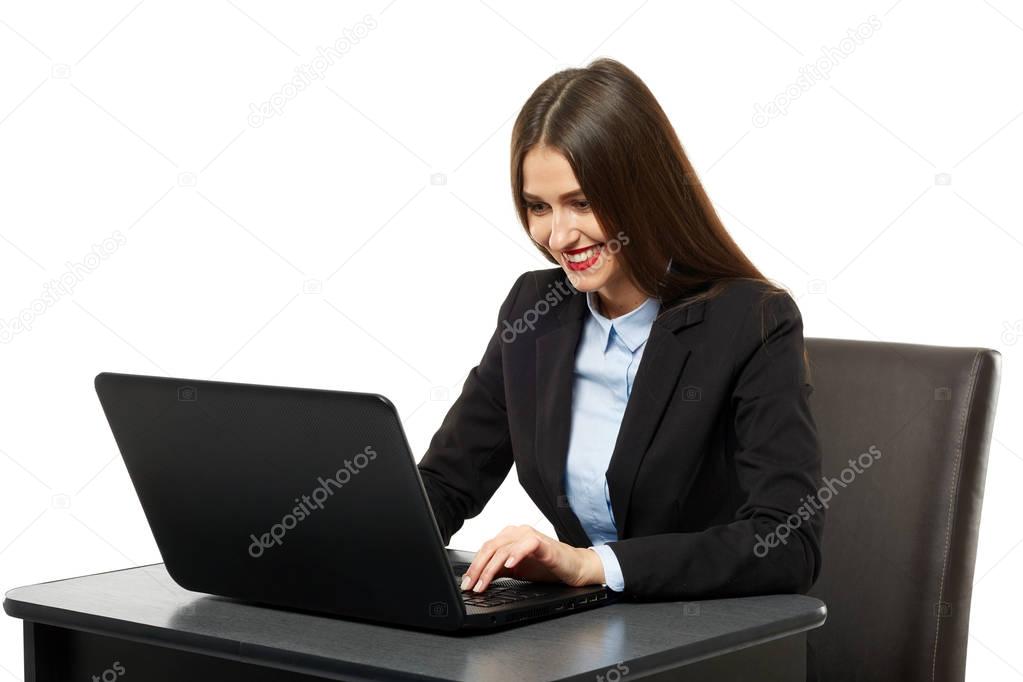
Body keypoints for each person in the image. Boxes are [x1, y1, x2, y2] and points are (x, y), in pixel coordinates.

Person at [417, 57, 824, 642]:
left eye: (581, 203)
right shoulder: (535, 313)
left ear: (644, 192)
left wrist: (589, 565)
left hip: (708, 642)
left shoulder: (751, 321)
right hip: (581, 637)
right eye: (539, 207)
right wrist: (354, 550)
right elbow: (448, 482)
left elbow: (788, 541)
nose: (558, 237)